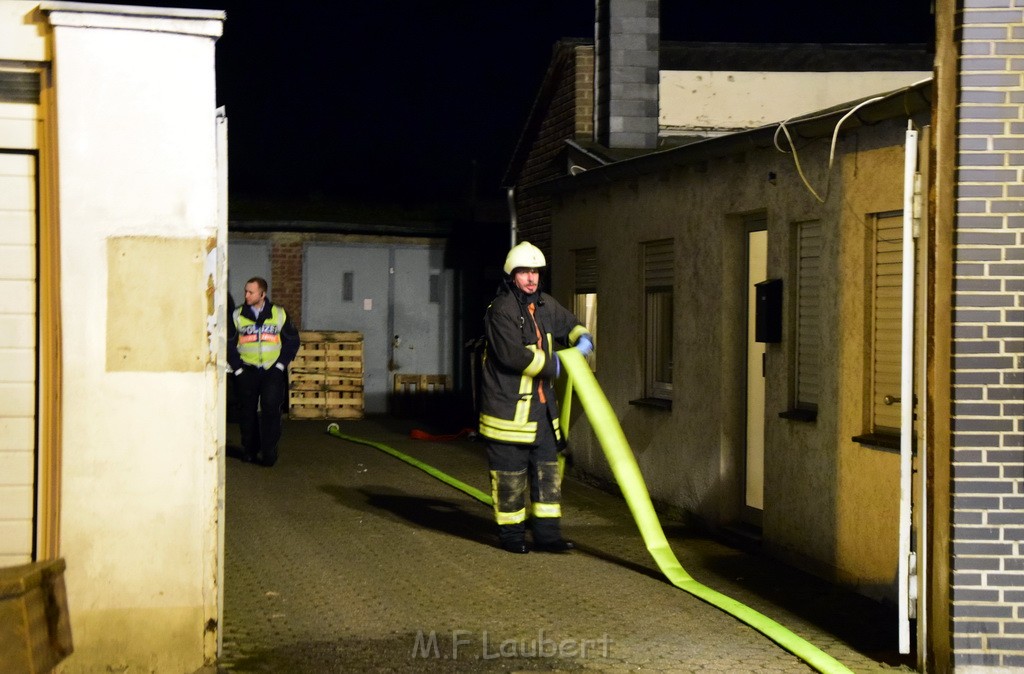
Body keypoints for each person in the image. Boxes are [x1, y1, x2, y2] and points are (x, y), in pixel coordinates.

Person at [478, 241, 594, 554]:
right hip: (508, 415)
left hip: (542, 414)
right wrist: (557, 363)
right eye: (524, 272)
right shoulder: (501, 310)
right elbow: (513, 356)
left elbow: (568, 323)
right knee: (510, 481)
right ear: (511, 275)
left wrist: (582, 336)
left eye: (535, 272)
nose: (531, 278)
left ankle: (547, 537)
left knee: (547, 478)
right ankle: (513, 538)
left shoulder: (543, 304)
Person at [228, 277, 300, 467]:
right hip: (247, 372)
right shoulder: (237, 315)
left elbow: (292, 341)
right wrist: (237, 369)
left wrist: (280, 366)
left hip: (272, 371)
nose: (246, 295)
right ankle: (250, 450)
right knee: (247, 413)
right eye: (246, 291)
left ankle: (269, 452)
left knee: (270, 411)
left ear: (262, 294)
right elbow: (228, 343)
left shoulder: (279, 313)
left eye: (250, 292)